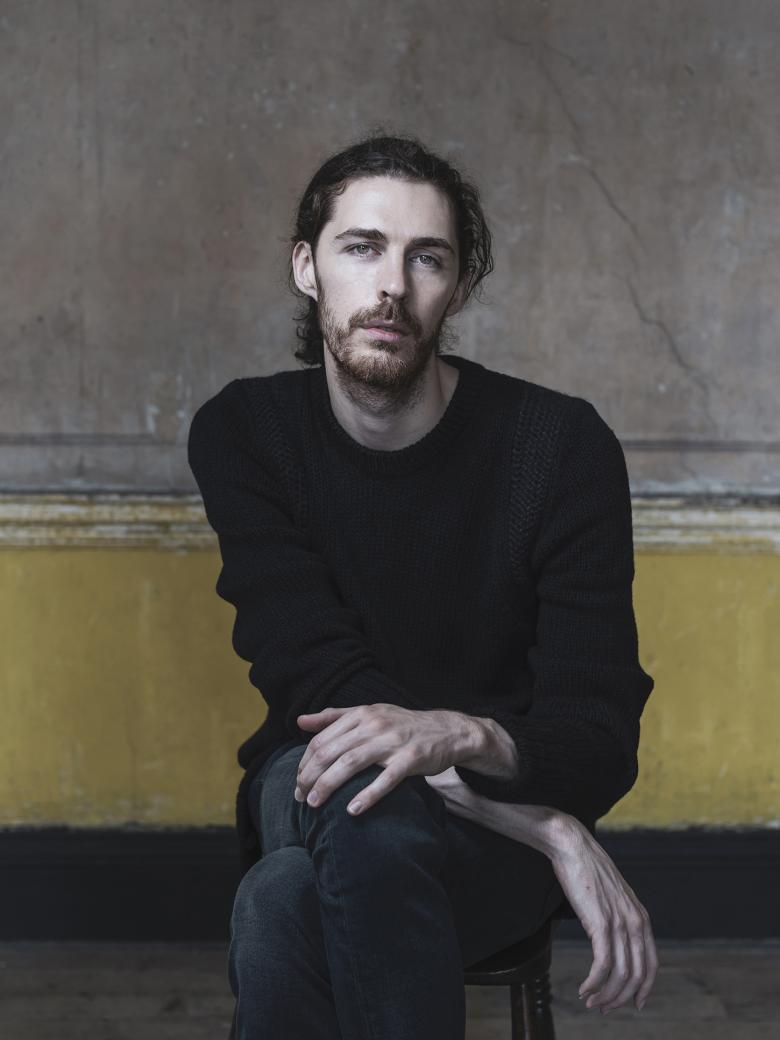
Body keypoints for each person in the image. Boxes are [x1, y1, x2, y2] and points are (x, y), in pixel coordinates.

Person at [187, 130, 658, 1040]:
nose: (391, 284)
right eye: (361, 247)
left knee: (281, 902)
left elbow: (597, 731)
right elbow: (321, 683)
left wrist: (465, 732)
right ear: (307, 267)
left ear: (459, 287)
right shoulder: (247, 434)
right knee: (364, 793)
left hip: (476, 851)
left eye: (426, 258)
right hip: (319, 784)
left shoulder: (558, 448)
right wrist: (552, 830)